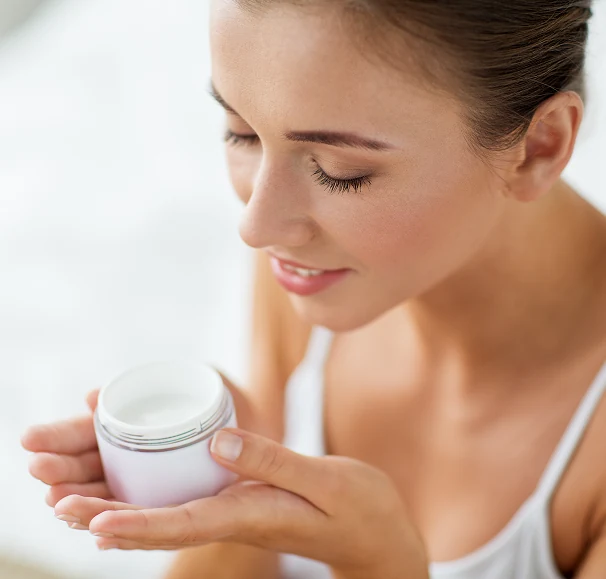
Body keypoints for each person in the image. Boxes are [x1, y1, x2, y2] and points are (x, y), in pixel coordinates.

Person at [21, 1, 606, 577]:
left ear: (540, 147)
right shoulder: (315, 268)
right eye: (242, 133)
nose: (256, 226)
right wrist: (239, 492)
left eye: (337, 171)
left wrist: (376, 563)